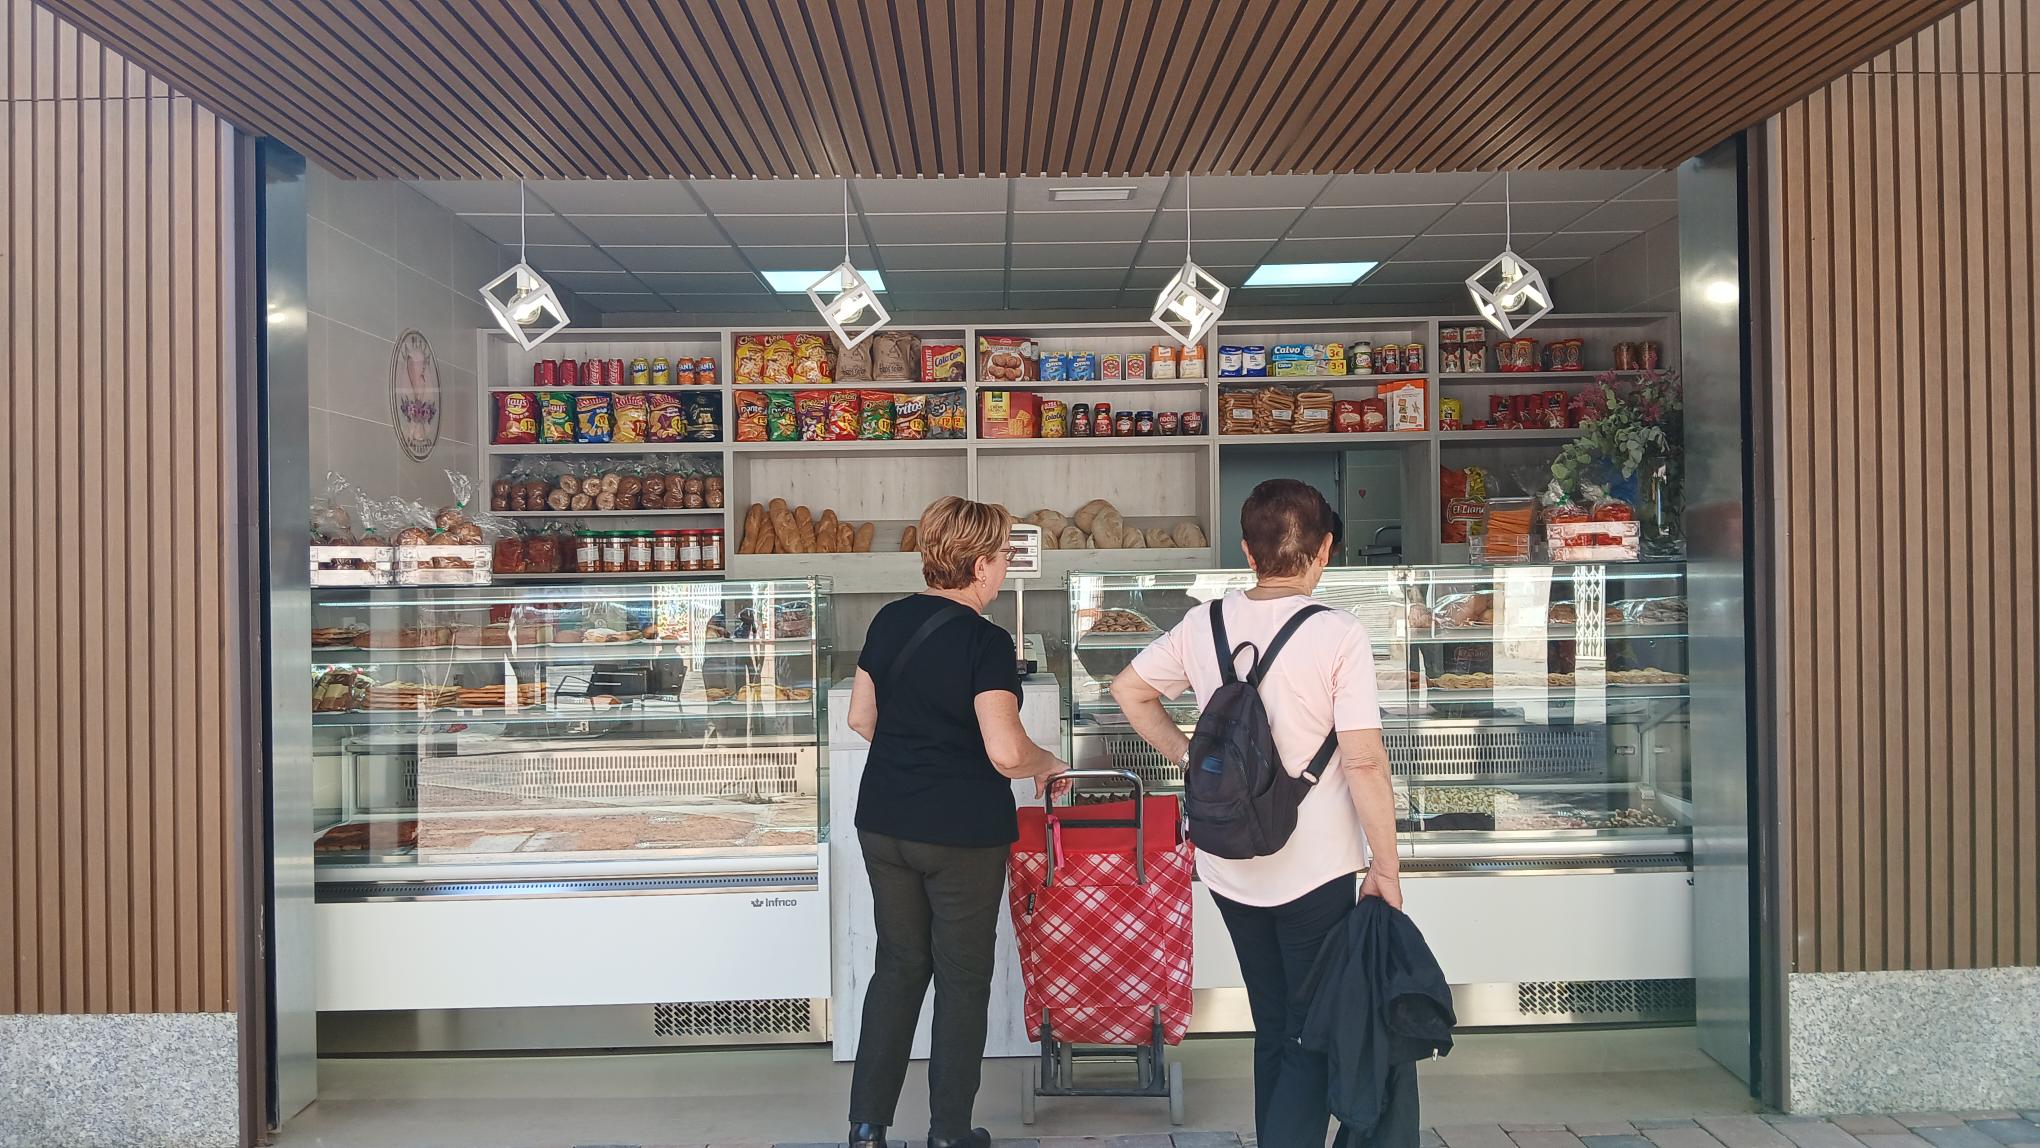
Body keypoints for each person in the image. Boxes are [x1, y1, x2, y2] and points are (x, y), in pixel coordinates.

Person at [1109, 479, 1401, 1148]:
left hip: (1228, 862)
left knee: (1275, 1024)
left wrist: (1189, 756)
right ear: (1325, 549)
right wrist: (1385, 867)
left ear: (1248, 550)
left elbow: (1129, 690)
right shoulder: (1338, 633)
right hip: (1316, 865)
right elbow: (1362, 761)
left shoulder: (1204, 622)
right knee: (1309, 1028)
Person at [845, 496, 1069, 1148]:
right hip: (960, 833)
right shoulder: (986, 641)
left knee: (898, 968)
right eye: (999, 559)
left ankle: (866, 1128)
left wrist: (916, 753)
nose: (1002, 570)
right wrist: (1045, 761)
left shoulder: (891, 619)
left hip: (884, 821)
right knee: (963, 979)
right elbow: (1004, 751)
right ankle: (947, 1132)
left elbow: (862, 718)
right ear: (979, 565)